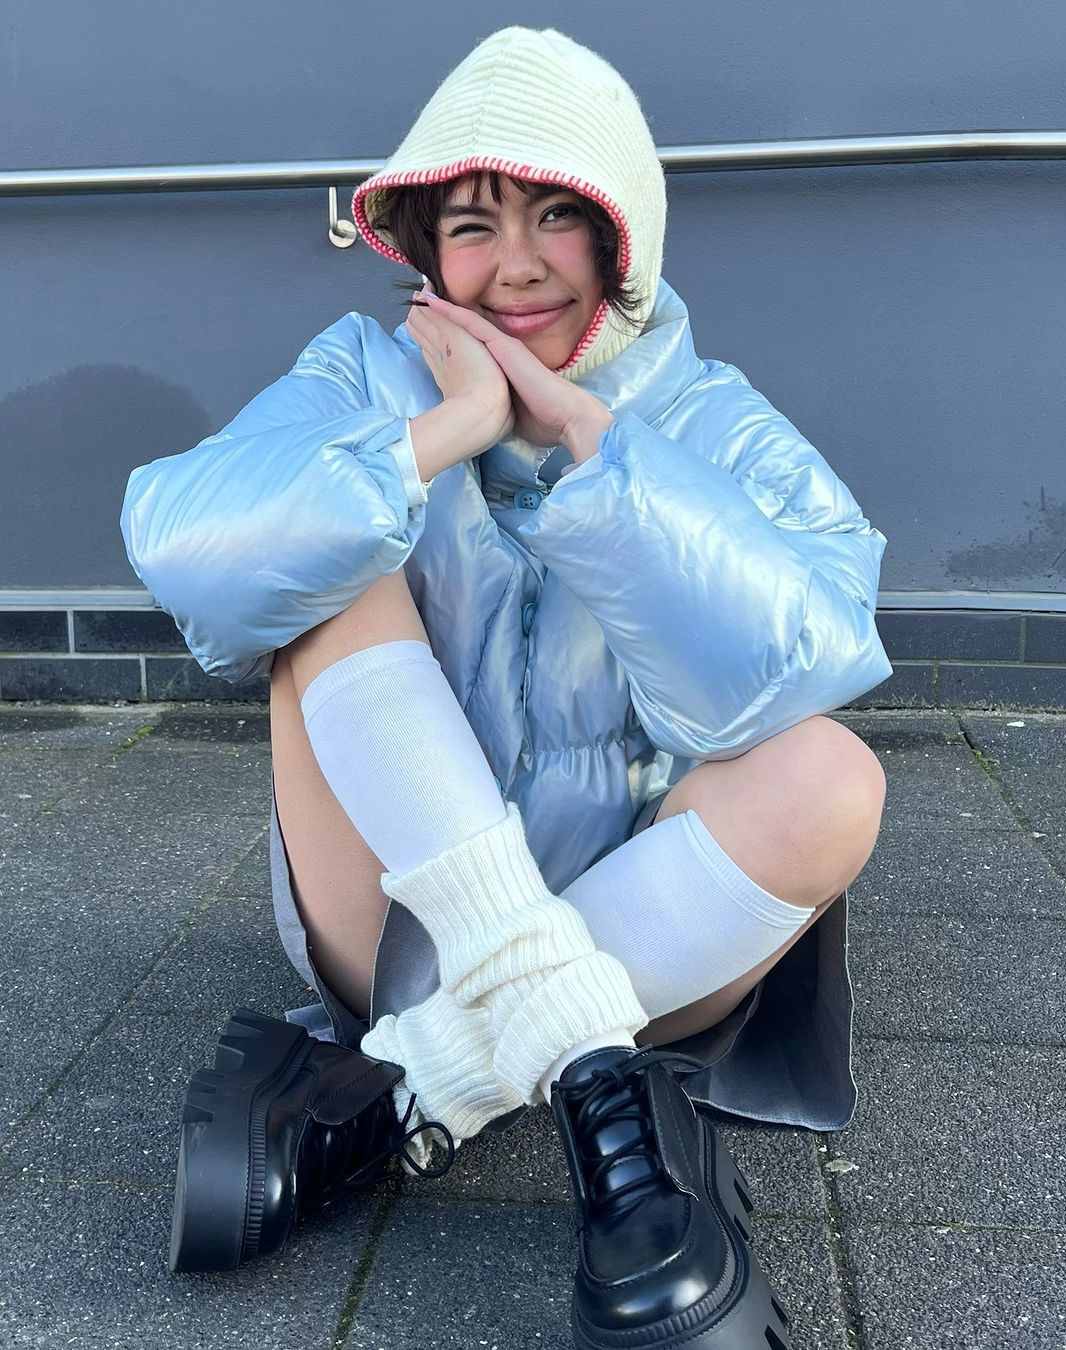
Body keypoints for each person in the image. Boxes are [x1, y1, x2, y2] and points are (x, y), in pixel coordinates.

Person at [120, 26, 891, 1349]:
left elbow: (812, 647)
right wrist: (448, 433)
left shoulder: (715, 416)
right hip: (395, 919)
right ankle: (600, 1090)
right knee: (326, 563)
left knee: (833, 774)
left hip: (655, 937)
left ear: (622, 235)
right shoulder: (360, 372)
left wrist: (594, 451)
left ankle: (415, 1088)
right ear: (425, 244)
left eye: (556, 217)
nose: (517, 264)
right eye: (475, 224)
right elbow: (188, 542)